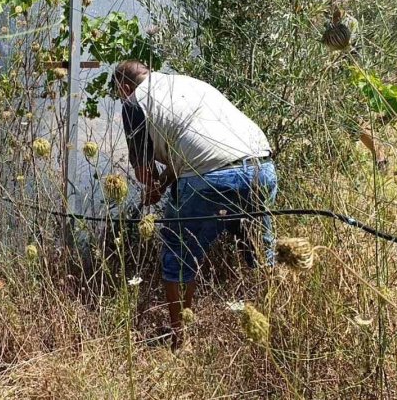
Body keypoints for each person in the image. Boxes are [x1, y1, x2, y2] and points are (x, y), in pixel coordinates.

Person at [112, 60, 278, 350]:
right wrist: (164, 185)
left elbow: (144, 172)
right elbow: (193, 150)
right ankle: (275, 330)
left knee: (177, 257)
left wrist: (151, 189)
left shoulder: (133, 102)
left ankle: (180, 343)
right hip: (261, 167)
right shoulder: (188, 84)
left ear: (125, 87)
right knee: (263, 255)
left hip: (208, 177)